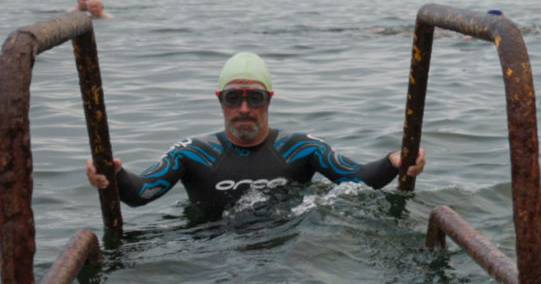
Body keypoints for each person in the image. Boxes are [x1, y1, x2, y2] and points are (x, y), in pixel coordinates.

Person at [85, 51, 427, 220]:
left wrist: (395, 161)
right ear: (220, 100)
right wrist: (113, 174)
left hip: (284, 255)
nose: (245, 108)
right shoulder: (191, 154)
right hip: (210, 256)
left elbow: (356, 178)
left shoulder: (301, 149)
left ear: (269, 100)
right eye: (234, 97)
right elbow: (141, 193)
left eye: (255, 97)